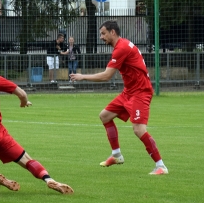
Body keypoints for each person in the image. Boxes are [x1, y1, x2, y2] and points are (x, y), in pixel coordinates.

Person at [70, 20, 168, 175]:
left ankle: (161, 166)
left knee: (139, 129)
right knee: (105, 116)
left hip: (140, 92)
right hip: (129, 92)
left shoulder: (121, 48)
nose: (101, 37)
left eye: (103, 33)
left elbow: (106, 76)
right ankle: (116, 155)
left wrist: (82, 77)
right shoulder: (122, 45)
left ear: (112, 32)